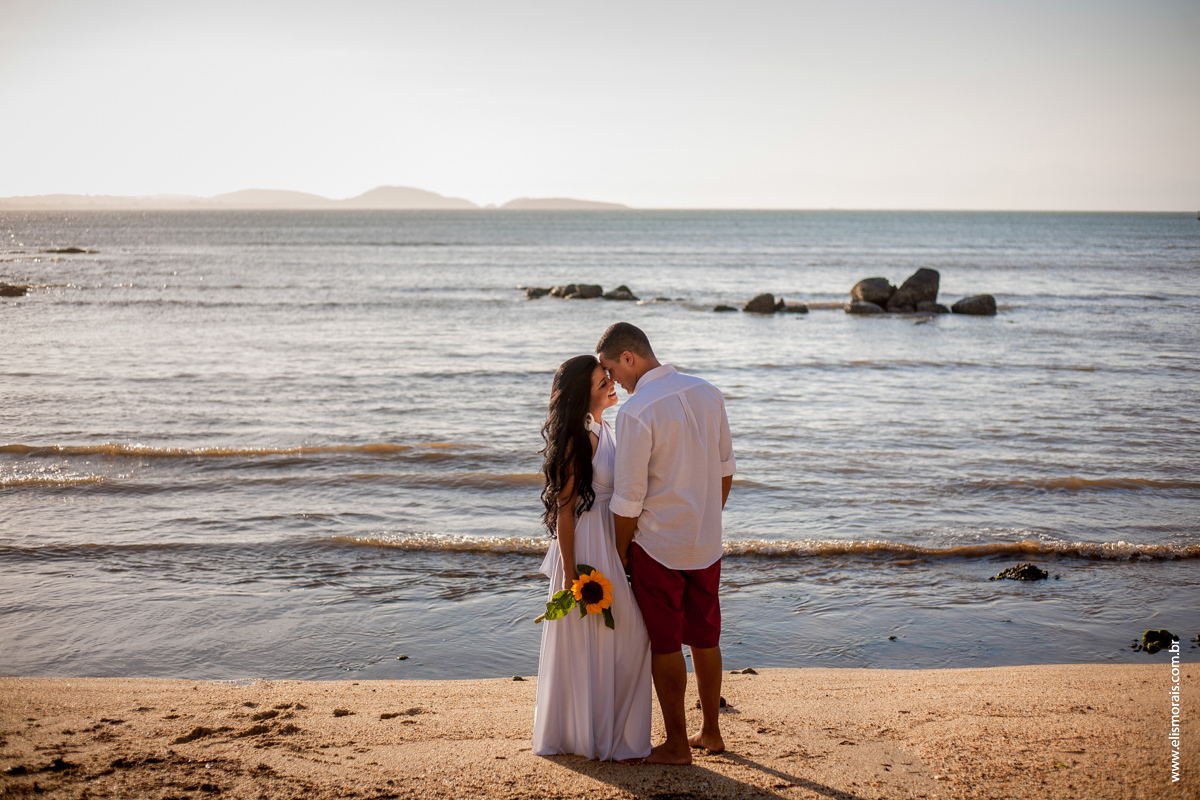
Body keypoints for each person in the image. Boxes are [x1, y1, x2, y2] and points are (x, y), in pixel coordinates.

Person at [597, 322, 735, 765]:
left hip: (657, 547)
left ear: (629, 358)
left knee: (666, 644)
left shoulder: (637, 412)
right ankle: (711, 733)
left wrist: (619, 554)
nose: (612, 380)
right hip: (705, 543)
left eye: (612, 370)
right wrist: (707, 519)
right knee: (706, 637)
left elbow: (628, 499)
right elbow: (725, 469)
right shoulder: (708, 391)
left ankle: (678, 744)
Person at [531, 354, 653, 762]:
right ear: (585, 396)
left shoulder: (607, 428)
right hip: (584, 545)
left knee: (628, 638)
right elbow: (565, 512)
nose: (611, 386)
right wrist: (568, 574)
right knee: (599, 637)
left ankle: (607, 733)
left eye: (609, 379)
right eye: (603, 384)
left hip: (609, 539)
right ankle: (587, 738)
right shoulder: (575, 440)